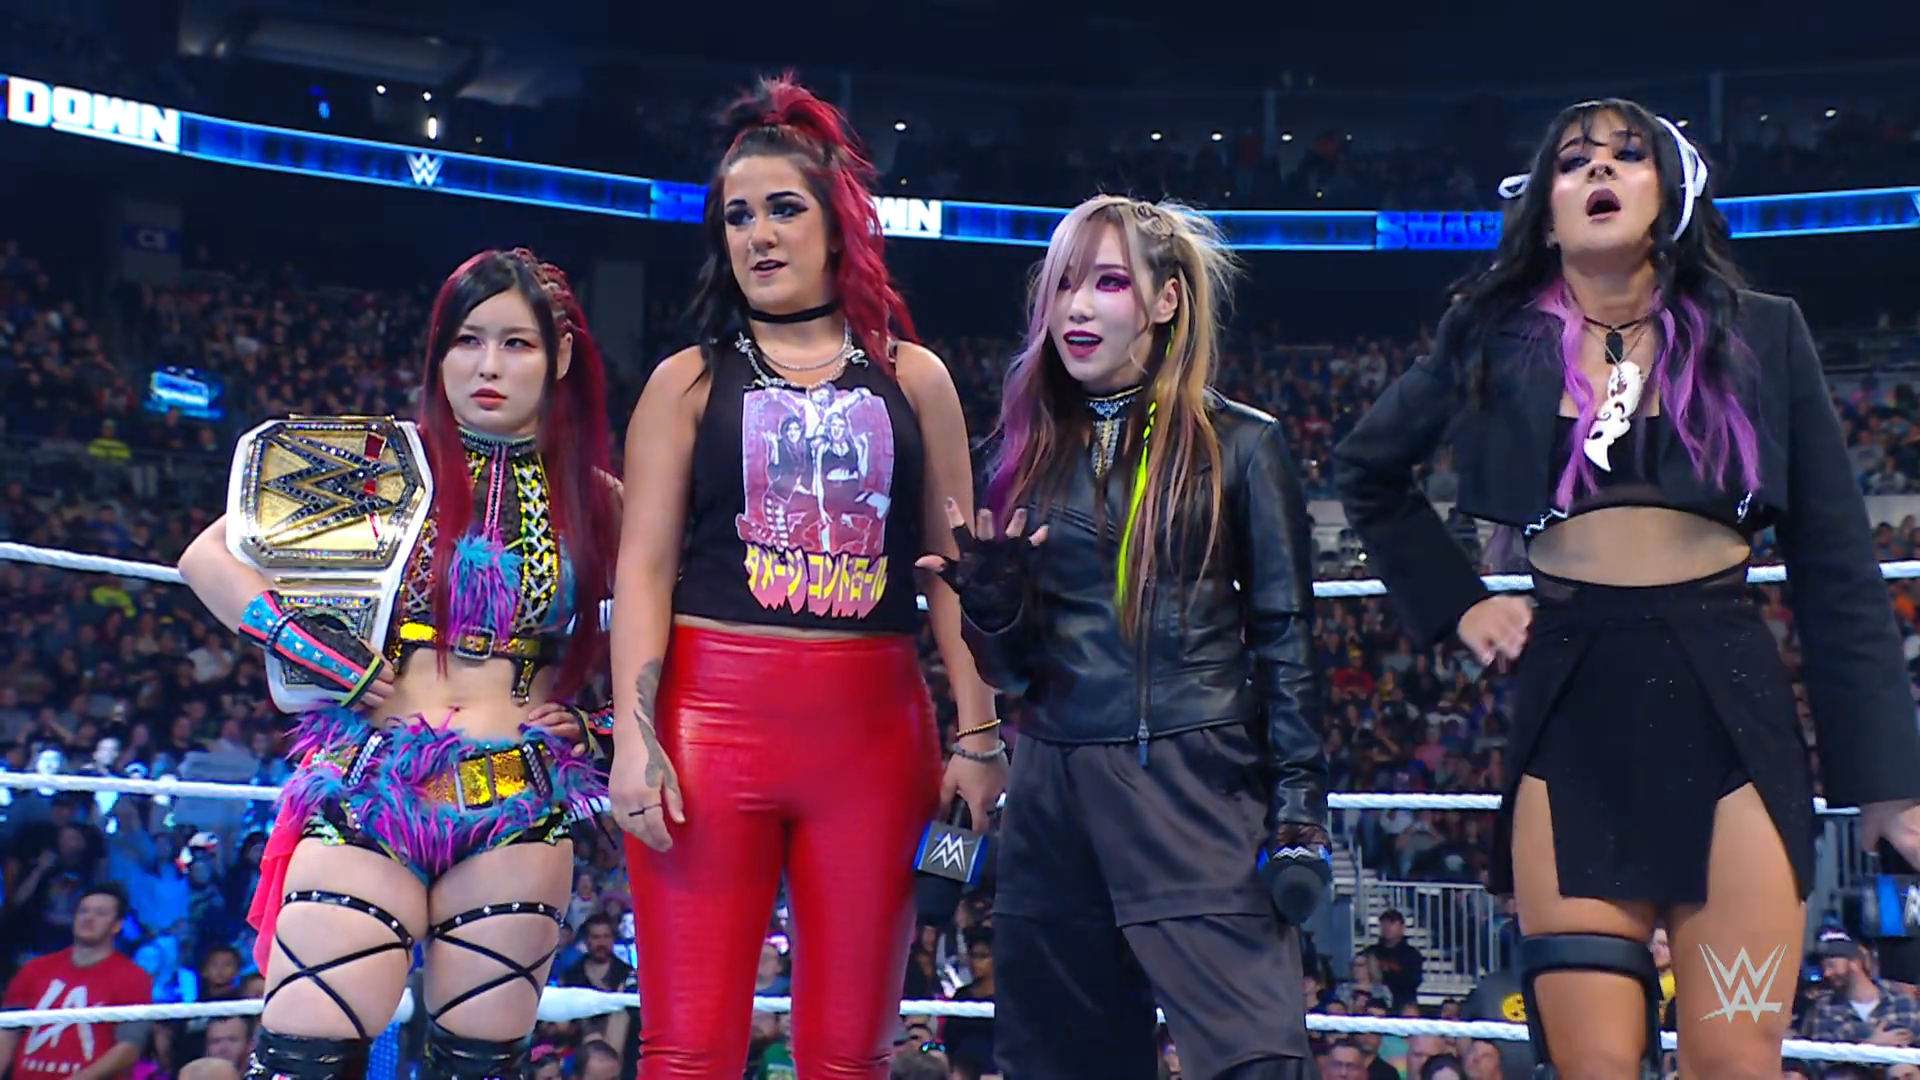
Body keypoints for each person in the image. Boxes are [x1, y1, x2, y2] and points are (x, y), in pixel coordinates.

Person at [1332, 97, 1920, 1077]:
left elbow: (1838, 568)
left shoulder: (1764, 334)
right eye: (1573, 162)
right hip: (1572, 706)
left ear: (1671, 191)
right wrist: (1461, 600)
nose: (1598, 171)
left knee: (1735, 1065)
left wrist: (1888, 786)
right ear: (1545, 212)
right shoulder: (1493, 336)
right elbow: (1367, 470)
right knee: (1593, 1065)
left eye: (1626, 155)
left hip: (1728, 702)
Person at [607, 74, 1008, 1080]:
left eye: (783, 208)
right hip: (706, 727)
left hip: (873, 734)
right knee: (686, 1049)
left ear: (840, 225)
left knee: (851, 1052)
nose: (758, 235)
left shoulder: (916, 377)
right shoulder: (685, 381)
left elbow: (955, 574)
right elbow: (643, 571)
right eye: (738, 216)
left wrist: (979, 735)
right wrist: (634, 738)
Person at [178, 249, 622, 1080]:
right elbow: (207, 558)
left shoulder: (597, 498)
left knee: (477, 1068)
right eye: (467, 341)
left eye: (516, 344)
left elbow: (684, 639)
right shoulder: (381, 464)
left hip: (517, 798)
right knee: (300, 1056)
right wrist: (309, 646)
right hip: (372, 785)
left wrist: (600, 730)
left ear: (560, 355)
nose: (488, 366)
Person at [927, 194, 1326, 1080]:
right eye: (1064, 282)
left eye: (1108, 282)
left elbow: (1286, 637)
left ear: (1166, 300)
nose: (1076, 306)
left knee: (1255, 1059)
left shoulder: (1242, 446)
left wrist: (1300, 807)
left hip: (1192, 778)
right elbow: (1014, 673)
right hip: (1052, 786)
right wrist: (992, 615)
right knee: (1059, 1064)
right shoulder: (1017, 456)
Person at [0, 885, 152, 1080]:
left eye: (100, 913)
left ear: (117, 925)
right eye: (83, 911)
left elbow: (130, 1046)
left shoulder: (133, 977)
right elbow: (7, 1032)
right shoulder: (34, 970)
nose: (88, 918)